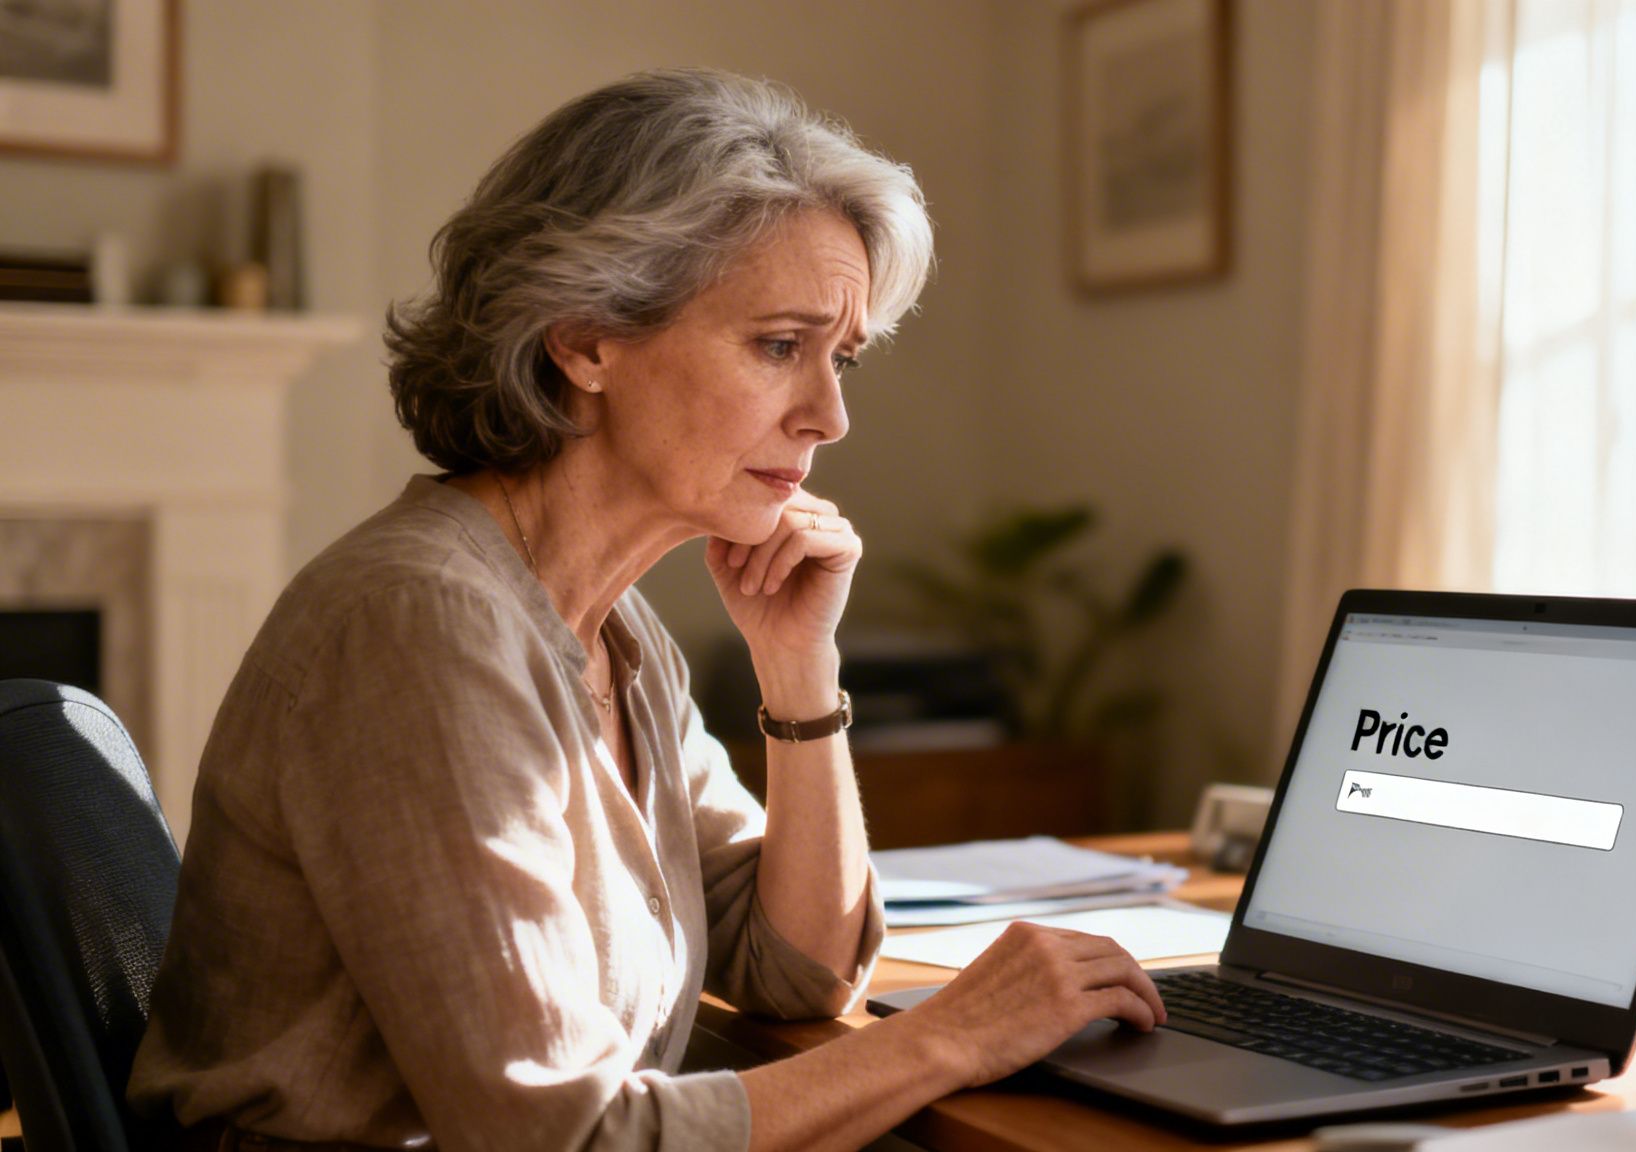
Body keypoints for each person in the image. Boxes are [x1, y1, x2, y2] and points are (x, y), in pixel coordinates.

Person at [128, 68, 1166, 1152]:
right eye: (779, 346)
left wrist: (798, 674)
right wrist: (951, 1038)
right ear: (584, 341)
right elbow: (559, 1141)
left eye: (840, 357)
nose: (830, 416)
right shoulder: (420, 624)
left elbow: (796, 970)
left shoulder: (615, 631)